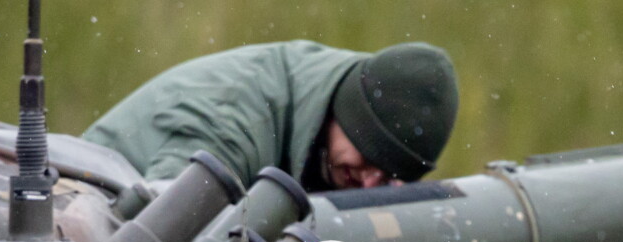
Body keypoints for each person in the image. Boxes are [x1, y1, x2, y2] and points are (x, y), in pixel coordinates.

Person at [84, 40, 458, 192]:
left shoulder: (328, 111)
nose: (370, 182)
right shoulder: (233, 127)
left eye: (392, 174)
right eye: (369, 155)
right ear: (343, 113)